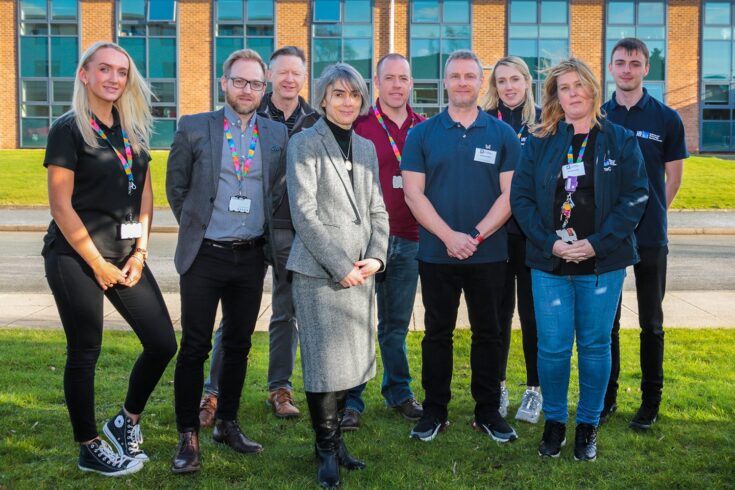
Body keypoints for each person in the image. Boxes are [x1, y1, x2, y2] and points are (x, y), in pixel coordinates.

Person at [42, 41, 177, 476]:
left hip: (125, 255)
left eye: (121, 71)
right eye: (104, 70)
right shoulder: (68, 128)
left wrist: (140, 251)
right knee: (85, 350)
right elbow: (60, 205)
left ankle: (125, 421)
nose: (113, 78)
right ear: (85, 75)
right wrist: (97, 264)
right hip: (75, 256)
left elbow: (147, 194)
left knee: (161, 342)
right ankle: (88, 445)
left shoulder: (133, 126)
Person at [511, 58, 648, 461]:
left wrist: (596, 243)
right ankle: (555, 423)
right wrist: (549, 243)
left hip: (601, 263)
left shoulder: (620, 140)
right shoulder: (540, 140)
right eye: (563, 88)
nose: (572, 94)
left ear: (592, 88)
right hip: (550, 261)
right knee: (552, 347)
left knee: (593, 345)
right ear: (556, 96)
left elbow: (635, 198)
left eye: (578, 85)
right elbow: (520, 198)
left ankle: (587, 426)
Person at [166, 48, 288, 474]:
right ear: (224, 83)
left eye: (256, 83)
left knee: (237, 345)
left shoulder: (276, 134)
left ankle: (228, 424)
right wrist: (197, 225)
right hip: (205, 256)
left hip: (250, 257)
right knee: (196, 347)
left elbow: (276, 192)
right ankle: (188, 435)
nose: (247, 90)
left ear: (264, 87)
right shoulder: (195, 127)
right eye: (240, 81)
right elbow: (176, 188)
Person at [402, 49, 520, 444]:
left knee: (489, 332)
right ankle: (435, 410)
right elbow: (414, 196)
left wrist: (475, 236)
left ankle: (487, 412)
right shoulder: (421, 134)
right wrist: (450, 237)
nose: (463, 82)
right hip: (437, 253)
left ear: (480, 81)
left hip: (488, 253)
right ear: (445, 82)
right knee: (437, 333)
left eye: (470, 76)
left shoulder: (501, 133)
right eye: (455, 76)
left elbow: (509, 195)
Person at [198, 46, 319, 426]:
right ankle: (212, 392)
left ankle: (279, 388)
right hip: (247, 230)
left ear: (304, 77)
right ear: (270, 76)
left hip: (292, 231)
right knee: (233, 317)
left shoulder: (316, 121)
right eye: (281, 72)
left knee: (287, 313)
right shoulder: (249, 110)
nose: (288, 79)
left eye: (295, 73)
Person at [286, 63, 389, 488]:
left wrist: (377, 259)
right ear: (324, 98)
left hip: (361, 273)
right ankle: (325, 448)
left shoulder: (365, 148)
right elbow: (304, 215)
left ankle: (338, 444)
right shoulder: (304, 143)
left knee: (351, 364)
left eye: (354, 95)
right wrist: (341, 265)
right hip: (320, 274)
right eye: (339, 94)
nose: (348, 102)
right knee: (324, 365)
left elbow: (378, 209)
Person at [601, 38, 688, 430]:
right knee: (608, 323)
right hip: (609, 238)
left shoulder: (667, 118)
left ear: (646, 69)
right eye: (620, 63)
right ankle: (607, 399)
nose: (626, 70)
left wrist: (648, 214)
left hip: (651, 236)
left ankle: (650, 402)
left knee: (651, 322)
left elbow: (673, 179)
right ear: (611, 67)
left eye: (634, 63)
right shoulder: (600, 116)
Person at [342, 53, 426, 431]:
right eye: (389, 78)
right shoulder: (358, 127)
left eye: (403, 78)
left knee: (395, 325)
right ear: (376, 83)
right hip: (363, 242)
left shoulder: (424, 128)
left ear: (411, 83)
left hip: (409, 240)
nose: (396, 85)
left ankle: (399, 392)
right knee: (356, 324)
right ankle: (351, 400)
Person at [482, 56, 543, 424]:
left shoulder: (544, 122)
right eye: (501, 80)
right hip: (496, 234)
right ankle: (499, 385)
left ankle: (534, 390)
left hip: (532, 235)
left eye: (515, 79)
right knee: (498, 315)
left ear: (527, 82)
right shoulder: (486, 121)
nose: (508, 87)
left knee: (533, 316)